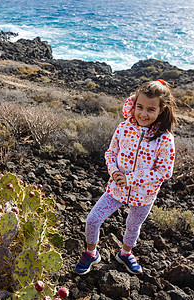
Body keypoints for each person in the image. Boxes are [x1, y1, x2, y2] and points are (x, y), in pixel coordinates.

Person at [74, 79, 176, 275]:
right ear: (134, 104)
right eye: (140, 107)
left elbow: (164, 172)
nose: (143, 114)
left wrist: (132, 178)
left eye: (151, 109)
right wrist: (114, 172)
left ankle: (125, 253)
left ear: (161, 110)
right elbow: (110, 154)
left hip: (144, 194)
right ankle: (91, 253)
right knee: (93, 220)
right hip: (116, 188)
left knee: (133, 226)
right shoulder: (123, 128)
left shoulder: (165, 139)